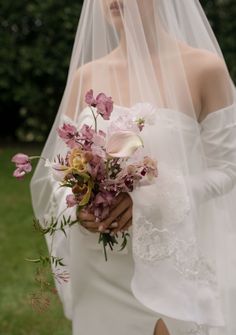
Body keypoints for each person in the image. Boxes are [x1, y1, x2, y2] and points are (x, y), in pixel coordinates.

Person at [30, 1, 236, 334]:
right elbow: (58, 168)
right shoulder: (87, 75)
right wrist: (76, 206)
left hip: (167, 262)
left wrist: (151, 198)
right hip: (97, 263)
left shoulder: (204, 69)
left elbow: (228, 170)